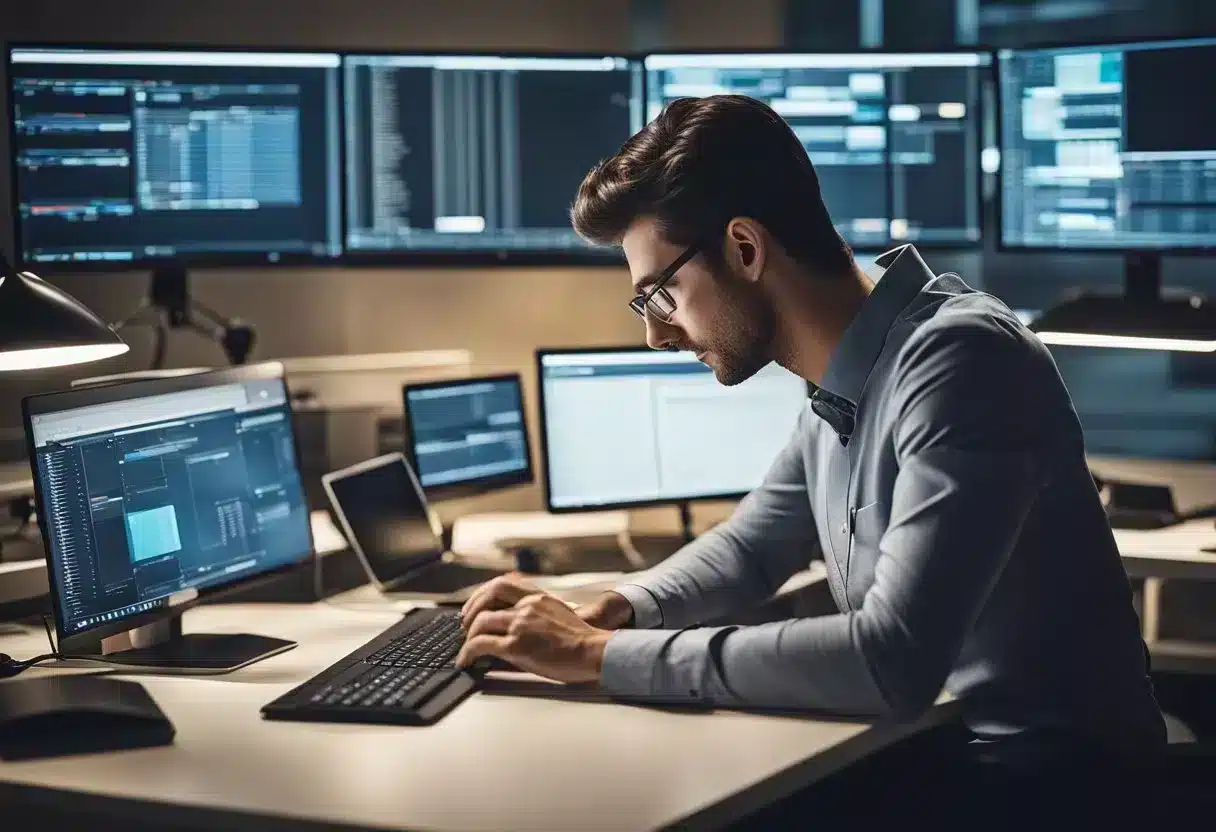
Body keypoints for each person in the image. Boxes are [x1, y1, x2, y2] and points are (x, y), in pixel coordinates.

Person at [456, 94, 1166, 819]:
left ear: (744, 248)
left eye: (661, 294)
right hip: (946, 761)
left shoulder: (961, 358)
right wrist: (615, 609)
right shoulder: (842, 385)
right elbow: (750, 550)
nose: (658, 336)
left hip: (1054, 793)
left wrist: (598, 657)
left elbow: (891, 660)